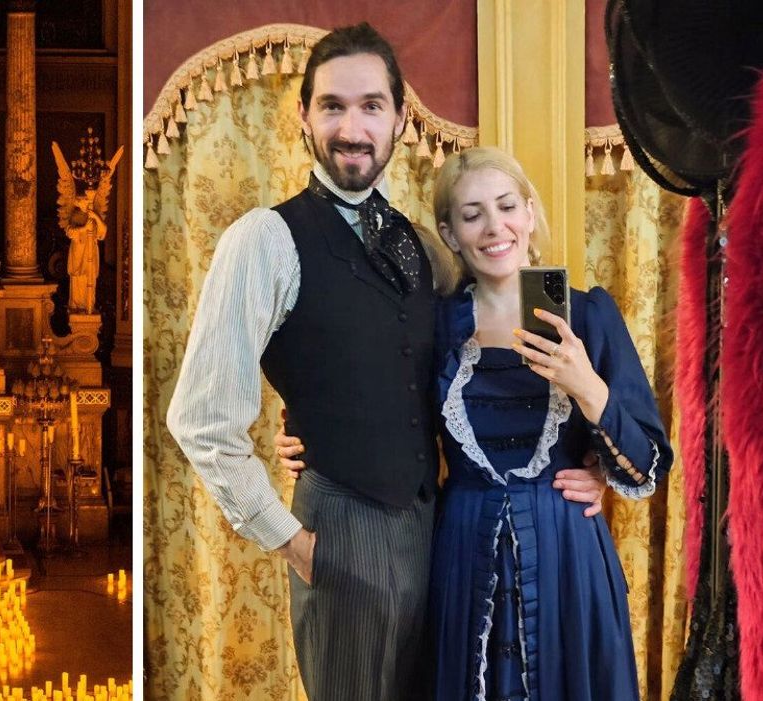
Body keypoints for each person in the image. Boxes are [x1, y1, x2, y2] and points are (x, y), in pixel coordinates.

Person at [165, 23, 606, 701]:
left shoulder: (422, 245)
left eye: (371, 106)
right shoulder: (263, 239)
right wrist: (292, 541)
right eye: (332, 106)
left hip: (438, 536)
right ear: (302, 116)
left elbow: (489, 362)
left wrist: (595, 462)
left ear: (400, 120)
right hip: (340, 530)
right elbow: (199, 416)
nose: (351, 127)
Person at [278, 146, 672, 699]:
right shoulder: (434, 325)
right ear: (450, 232)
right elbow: (368, 405)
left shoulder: (586, 315)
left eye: (507, 206)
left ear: (530, 214)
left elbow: (647, 464)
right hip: (462, 552)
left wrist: (586, 389)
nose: (494, 227)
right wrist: (302, 436)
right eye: (472, 214)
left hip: (566, 559)